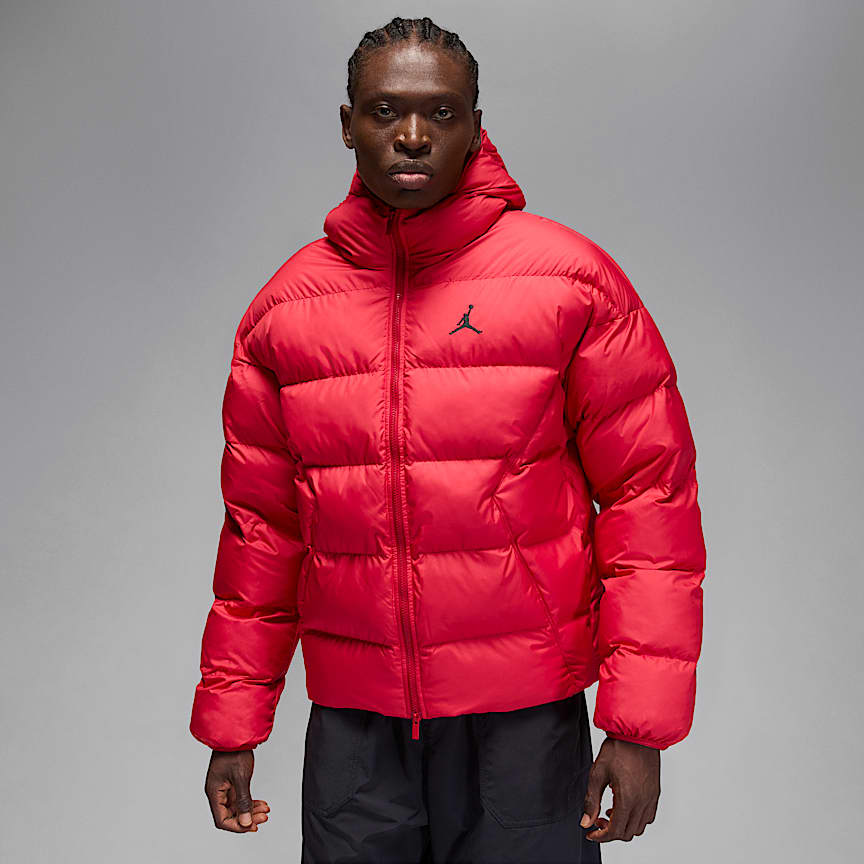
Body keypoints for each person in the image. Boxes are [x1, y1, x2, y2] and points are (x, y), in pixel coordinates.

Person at [190, 15, 706, 862]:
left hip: (525, 725)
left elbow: (651, 504)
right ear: (347, 123)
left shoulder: (569, 283)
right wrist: (232, 724)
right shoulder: (286, 310)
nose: (413, 135)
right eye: (384, 110)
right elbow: (261, 534)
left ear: (475, 125)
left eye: (440, 112)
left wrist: (638, 726)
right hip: (356, 733)